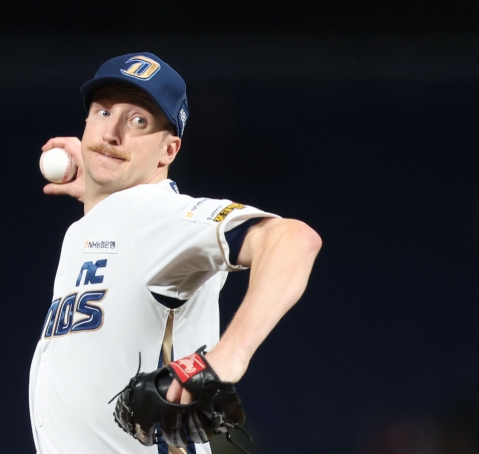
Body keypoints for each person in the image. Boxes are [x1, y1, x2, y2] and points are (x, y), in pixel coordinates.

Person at [29, 52, 322, 454]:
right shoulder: (94, 228)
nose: (112, 133)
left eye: (138, 122)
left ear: (168, 151)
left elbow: (293, 239)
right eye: (103, 112)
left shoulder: (155, 215)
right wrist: (102, 193)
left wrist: (227, 358)